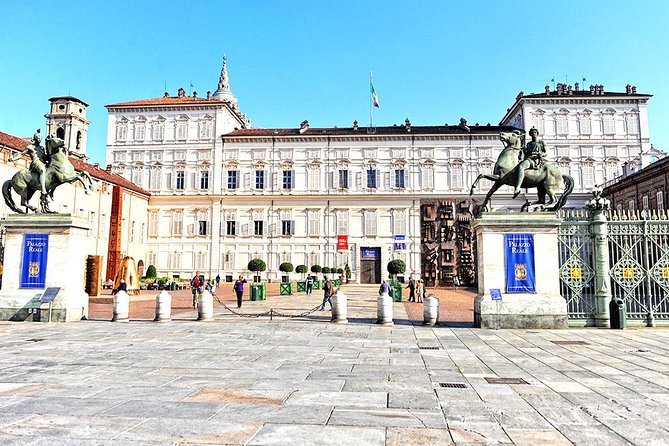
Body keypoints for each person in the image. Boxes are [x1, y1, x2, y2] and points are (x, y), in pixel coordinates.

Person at [8, 129, 48, 196]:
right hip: (36, 163)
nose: (40, 139)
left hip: (43, 162)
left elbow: (44, 156)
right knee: (42, 170)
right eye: (38, 138)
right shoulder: (30, 147)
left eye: (41, 138)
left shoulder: (42, 148)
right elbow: (21, 154)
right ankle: (43, 189)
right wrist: (13, 159)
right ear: (35, 138)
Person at [514, 127, 547, 198]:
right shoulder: (528, 144)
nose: (533, 134)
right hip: (529, 158)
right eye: (532, 133)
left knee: (521, 167)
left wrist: (541, 154)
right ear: (530, 134)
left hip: (536, 159)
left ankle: (518, 187)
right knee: (519, 166)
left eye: (535, 132)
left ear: (537, 133)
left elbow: (546, 152)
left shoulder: (541, 142)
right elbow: (526, 153)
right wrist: (523, 149)